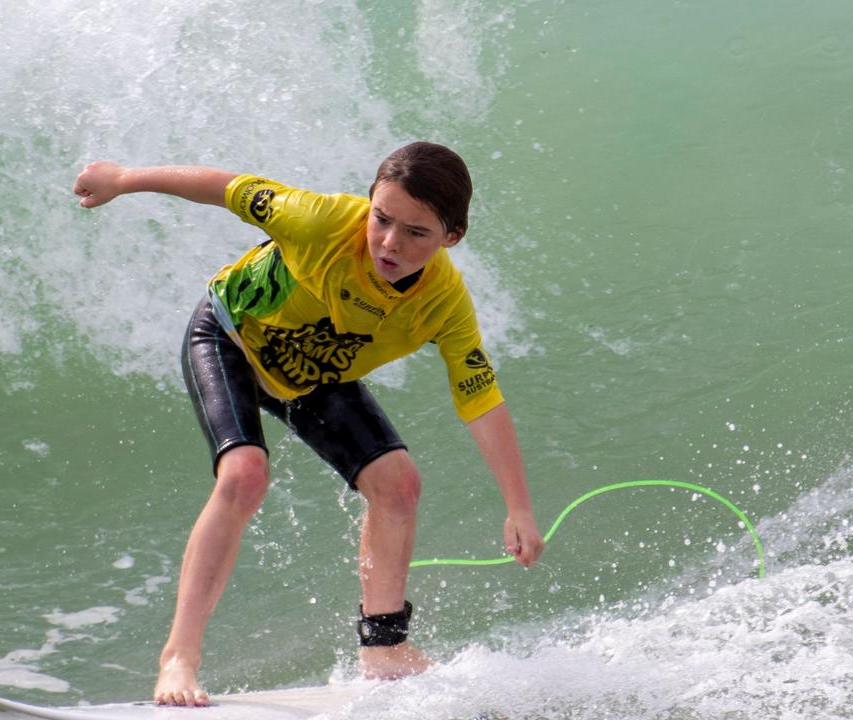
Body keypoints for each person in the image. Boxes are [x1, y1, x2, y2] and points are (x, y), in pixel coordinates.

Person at [72, 142, 544, 707]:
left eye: (416, 233)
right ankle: (179, 656)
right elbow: (225, 187)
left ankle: (384, 649)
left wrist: (518, 505)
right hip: (230, 336)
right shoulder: (318, 222)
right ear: (368, 203)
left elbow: (480, 398)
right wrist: (124, 178)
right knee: (244, 473)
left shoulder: (444, 304)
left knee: (399, 485)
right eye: (382, 219)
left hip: (313, 371)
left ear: (451, 237)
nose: (390, 243)